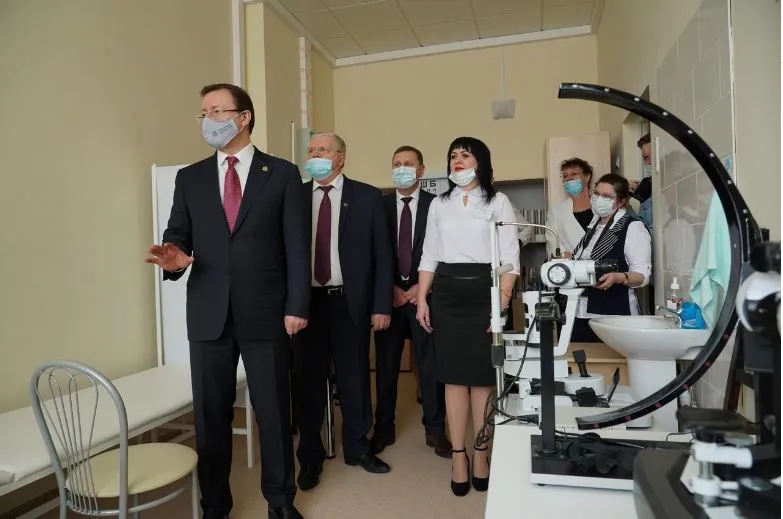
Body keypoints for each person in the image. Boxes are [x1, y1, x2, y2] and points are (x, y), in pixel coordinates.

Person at [145, 83, 309, 519]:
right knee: (210, 416)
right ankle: (215, 504)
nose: (209, 120)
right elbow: (178, 235)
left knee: (273, 412)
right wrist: (174, 259)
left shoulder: (282, 173)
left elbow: (297, 247)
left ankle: (281, 501)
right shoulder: (190, 177)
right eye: (204, 113)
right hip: (208, 312)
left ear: (243, 117)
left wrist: (297, 306)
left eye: (217, 111)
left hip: (267, 311)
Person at [415, 137, 520, 496]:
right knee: (454, 379)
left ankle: (481, 452)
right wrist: (422, 298)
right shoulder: (439, 204)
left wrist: (501, 304)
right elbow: (429, 254)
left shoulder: (498, 201)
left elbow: (510, 258)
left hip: (485, 293)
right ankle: (458, 454)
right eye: (452, 156)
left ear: (481, 162)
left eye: (465, 155)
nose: (457, 161)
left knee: (483, 379)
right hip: (446, 294)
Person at [294, 133, 394, 491]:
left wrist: (381, 305)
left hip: (349, 301)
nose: (314, 155)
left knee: (354, 377)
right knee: (307, 382)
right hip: (305, 304)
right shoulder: (295, 196)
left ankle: (357, 447)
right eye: (311, 150)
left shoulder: (367, 197)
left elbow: (383, 255)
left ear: (340, 158)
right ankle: (310, 455)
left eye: (322, 150)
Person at [370, 145, 451, 459]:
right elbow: (371, 252)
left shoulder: (438, 205)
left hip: (424, 298)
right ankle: (383, 428)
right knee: (386, 368)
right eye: (396, 164)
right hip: (388, 298)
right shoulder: (379, 205)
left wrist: (424, 287)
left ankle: (435, 429)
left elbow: (447, 251)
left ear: (421, 170)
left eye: (408, 163)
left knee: (430, 367)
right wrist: (387, 289)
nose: (401, 168)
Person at [570, 173, 652, 342]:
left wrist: (618, 277)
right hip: (581, 312)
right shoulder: (595, 226)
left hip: (613, 315)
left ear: (621, 201)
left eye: (607, 196)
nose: (599, 199)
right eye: (597, 193)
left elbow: (642, 276)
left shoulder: (632, 227)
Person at [545, 158, 594, 258]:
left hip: (605, 264)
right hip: (573, 265)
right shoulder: (556, 211)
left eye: (574, 174)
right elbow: (553, 243)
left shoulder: (601, 205)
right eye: (565, 175)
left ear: (587, 177)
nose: (568, 178)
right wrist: (564, 255)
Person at [631, 133, 654, 233]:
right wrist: (625, 200)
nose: (647, 163)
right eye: (645, 158)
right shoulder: (647, 186)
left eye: (647, 157)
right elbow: (642, 226)